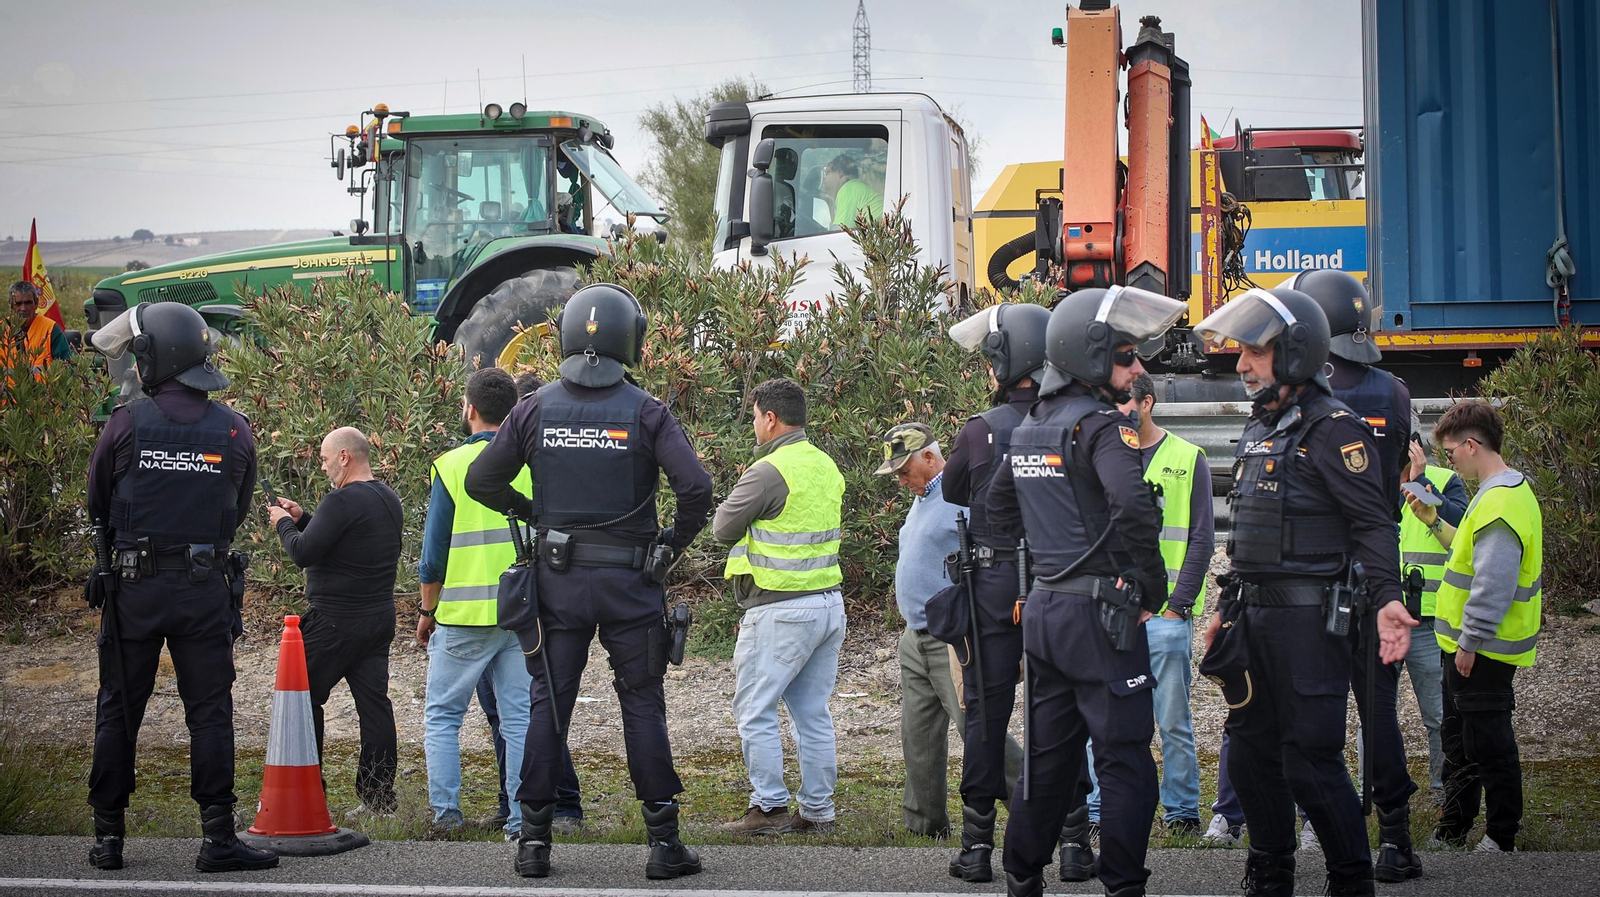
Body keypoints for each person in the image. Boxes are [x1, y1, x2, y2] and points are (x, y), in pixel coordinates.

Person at [465, 283, 713, 880]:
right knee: (642, 703)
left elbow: (480, 482)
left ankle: (533, 843)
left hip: (558, 583)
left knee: (548, 704)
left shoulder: (534, 409)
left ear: (568, 337)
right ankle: (663, 843)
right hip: (632, 583)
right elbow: (697, 489)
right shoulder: (647, 411)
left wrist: (533, 514)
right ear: (631, 340)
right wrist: (671, 545)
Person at [1193, 286, 1417, 897]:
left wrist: (1388, 599)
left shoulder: (1333, 430)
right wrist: (1223, 608)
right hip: (1253, 622)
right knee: (1249, 757)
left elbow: (1373, 523)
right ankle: (1270, 876)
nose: (1241, 364)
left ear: (1294, 352)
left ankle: (1351, 881)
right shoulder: (1260, 428)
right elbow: (1246, 535)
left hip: (1311, 625)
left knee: (1310, 760)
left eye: (1255, 352)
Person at [987, 285, 1188, 897]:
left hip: (1046, 609)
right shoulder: (1101, 427)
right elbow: (1133, 506)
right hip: (1100, 614)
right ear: (1091, 356)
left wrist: (1049, 554)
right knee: (1124, 758)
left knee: (1048, 757)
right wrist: (1149, 585)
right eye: (1126, 356)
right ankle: (1123, 883)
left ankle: (1022, 873)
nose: (1137, 367)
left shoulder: (1031, 427)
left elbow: (997, 509)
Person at [84, 301, 277, 873]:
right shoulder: (235, 429)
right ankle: (218, 838)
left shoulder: (126, 423)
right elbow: (237, 508)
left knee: (119, 708)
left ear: (155, 358)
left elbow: (97, 503)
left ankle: (109, 838)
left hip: (133, 590)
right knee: (210, 713)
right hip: (202, 589)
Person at [1292, 268, 1423, 881]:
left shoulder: (1302, 394)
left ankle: (1319, 826)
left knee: (1310, 709)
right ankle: (1395, 837)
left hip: (1315, 576)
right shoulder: (1393, 393)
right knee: (1379, 713)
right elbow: (1394, 479)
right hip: (1377, 574)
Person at [1080, 373, 1212, 839]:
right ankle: (1098, 811)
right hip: (1111, 613)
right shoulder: (1100, 454)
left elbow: (1201, 539)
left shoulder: (1188, 457)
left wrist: (1177, 607)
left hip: (1164, 616)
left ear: (1148, 403)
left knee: (1172, 720)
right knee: (1102, 719)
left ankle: (1182, 813)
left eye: (1124, 403)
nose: (1116, 413)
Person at [875, 422, 1022, 842]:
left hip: (954, 636)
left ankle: (1040, 809)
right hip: (916, 636)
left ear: (929, 456)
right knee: (917, 734)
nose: (901, 481)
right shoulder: (922, 498)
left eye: (905, 471)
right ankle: (924, 825)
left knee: (976, 728)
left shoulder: (962, 496)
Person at [713, 377, 847, 836]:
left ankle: (769, 807)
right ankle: (818, 811)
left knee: (755, 709)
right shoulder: (826, 465)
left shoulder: (769, 470)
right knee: (812, 712)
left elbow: (723, 527)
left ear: (770, 419)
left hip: (780, 608)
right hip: (827, 603)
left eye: (754, 417)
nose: (753, 425)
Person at [1406, 399, 1541, 853]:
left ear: (1470, 445)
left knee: (1489, 743)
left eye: (1451, 453)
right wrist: (1433, 521)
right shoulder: (1499, 491)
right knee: (1461, 741)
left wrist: (1469, 642)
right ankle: (1454, 829)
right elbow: (1467, 554)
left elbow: (1493, 584)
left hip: (1484, 648)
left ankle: (1501, 838)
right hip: (1468, 644)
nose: (1450, 462)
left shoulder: (1500, 502)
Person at [943, 302, 1044, 883]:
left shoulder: (981, 429)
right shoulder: (1069, 420)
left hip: (992, 581)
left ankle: (977, 845)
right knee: (1059, 709)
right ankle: (1074, 840)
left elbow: (953, 489)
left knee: (986, 712)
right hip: (1054, 580)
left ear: (1005, 362)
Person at [417, 368, 537, 840]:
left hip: (464, 615)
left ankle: (447, 816)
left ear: (469, 409)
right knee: (519, 719)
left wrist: (426, 611)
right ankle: (521, 822)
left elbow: (433, 556)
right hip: (522, 613)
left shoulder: (450, 465)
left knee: (444, 716)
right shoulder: (532, 461)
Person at [270, 426, 404, 817]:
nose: (323, 466)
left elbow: (303, 553)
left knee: (301, 698)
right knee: (374, 707)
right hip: (377, 618)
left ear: (345, 456)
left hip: (334, 621)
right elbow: (347, 540)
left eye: (326, 459)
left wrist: (283, 523)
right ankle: (379, 799)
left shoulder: (340, 500)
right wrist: (303, 518)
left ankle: (306, 792)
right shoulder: (387, 497)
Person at [1397, 419, 1469, 802]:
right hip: (1381, 616)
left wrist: (1422, 482)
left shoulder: (1442, 480)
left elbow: (1462, 528)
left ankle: (1445, 791)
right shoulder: (1369, 481)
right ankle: (1378, 789)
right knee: (1375, 714)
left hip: (1427, 619)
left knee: (1438, 714)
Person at [4, 280, 71, 374]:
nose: (23, 308)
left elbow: (68, 370)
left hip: (43, 384)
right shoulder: (2, 329)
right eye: (18, 304)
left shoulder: (50, 329)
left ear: (36, 303)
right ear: (11, 305)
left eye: (28, 303)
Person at [822, 154, 883, 229]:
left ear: (839, 172)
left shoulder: (849, 188)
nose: (824, 179)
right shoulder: (857, 187)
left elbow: (841, 229)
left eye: (827, 173)